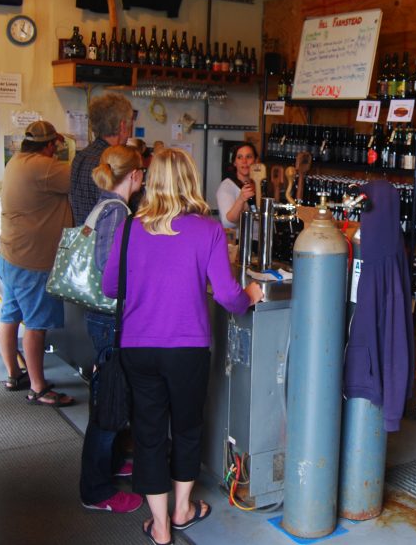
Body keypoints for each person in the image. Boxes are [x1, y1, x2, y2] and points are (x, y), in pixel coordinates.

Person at [102, 147, 263, 545]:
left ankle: (159, 527)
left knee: (149, 431)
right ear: (190, 180)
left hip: (137, 346)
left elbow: (109, 287)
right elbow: (228, 297)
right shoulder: (206, 229)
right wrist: (251, 294)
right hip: (188, 347)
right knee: (188, 428)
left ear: (152, 180)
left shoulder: (129, 226)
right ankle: (183, 509)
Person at [78, 144, 144, 513]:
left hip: (102, 317)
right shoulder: (117, 212)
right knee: (108, 405)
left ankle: (114, 463)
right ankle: (96, 490)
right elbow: (109, 270)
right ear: (134, 174)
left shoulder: (106, 205)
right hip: (109, 319)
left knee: (112, 397)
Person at [0, 120, 76, 407]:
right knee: (36, 325)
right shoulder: (44, 167)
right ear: (51, 144)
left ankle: (13, 374)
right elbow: (82, 177)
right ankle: (39, 387)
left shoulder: (16, 161)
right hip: (33, 260)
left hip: (10, 253)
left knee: (10, 315)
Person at [70, 93, 134, 225]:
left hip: (82, 239)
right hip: (106, 238)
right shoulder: (114, 162)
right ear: (122, 126)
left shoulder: (80, 157)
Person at [215, 142, 257, 229]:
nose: (244, 161)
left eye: (248, 157)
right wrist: (241, 199)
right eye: (239, 157)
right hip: (239, 241)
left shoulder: (260, 185)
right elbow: (228, 223)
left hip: (261, 240)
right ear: (234, 163)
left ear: (256, 160)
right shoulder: (227, 186)